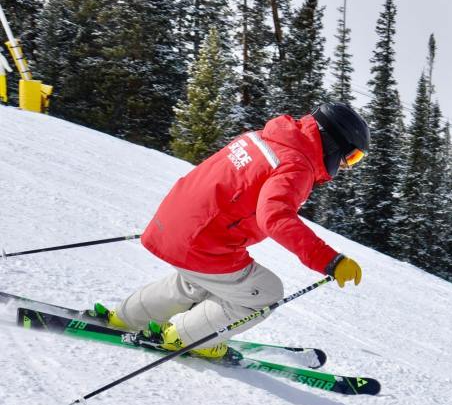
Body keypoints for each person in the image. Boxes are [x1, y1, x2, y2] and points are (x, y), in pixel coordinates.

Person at [94, 103, 370, 358]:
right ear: (333, 142)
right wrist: (329, 260)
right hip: (201, 240)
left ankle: (127, 317)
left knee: (198, 282)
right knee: (265, 292)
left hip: (174, 222)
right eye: (352, 156)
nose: (346, 165)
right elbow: (275, 217)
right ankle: (184, 338)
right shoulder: (297, 164)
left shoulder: (263, 138)